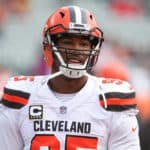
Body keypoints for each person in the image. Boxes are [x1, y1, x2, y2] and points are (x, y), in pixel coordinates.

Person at [0, 5, 140, 150]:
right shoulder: (21, 96)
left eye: (84, 43)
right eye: (68, 42)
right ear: (49, 47)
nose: (77, 50)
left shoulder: (111, 100)